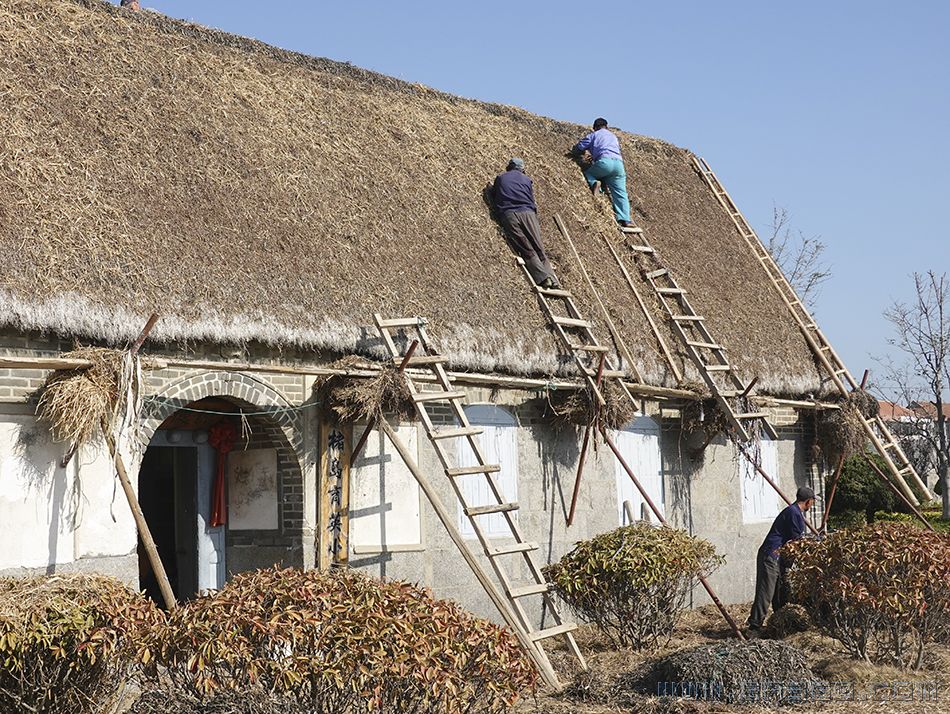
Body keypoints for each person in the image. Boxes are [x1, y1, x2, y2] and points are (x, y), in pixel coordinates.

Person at [747, 486, 816, 631]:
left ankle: (779, 624)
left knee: (780, 591)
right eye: (813, 502)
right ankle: (754, 626)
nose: (813, 504)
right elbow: (797, 541)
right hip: (771, 555)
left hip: (778, 557)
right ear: (808, 502)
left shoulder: (794, 512)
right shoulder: (795, 514)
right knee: (766, 591)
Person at [491, 157, 559, 288]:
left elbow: (494, 194)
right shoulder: (527, 180)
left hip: (509, 214)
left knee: (525, 247)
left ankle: (544, 278)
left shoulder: (501, 178)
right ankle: (553, 279)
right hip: (528, 214)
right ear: (522, 169)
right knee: (538, 246)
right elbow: (531, 198)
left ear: (509, 167)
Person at [572, 118, 633, 228]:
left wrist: (575, 152)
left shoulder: (594, 135)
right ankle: (625, 219)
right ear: (607, 126)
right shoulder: (613, 136)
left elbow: (580, 146)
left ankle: (596, 185)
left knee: (589, 173)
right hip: (619, 165)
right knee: (621, 192)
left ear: (594, 128)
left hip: (605, 162)